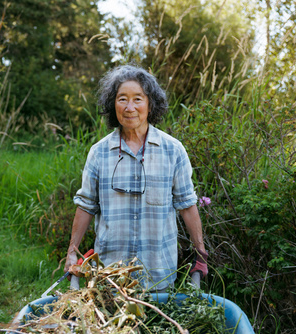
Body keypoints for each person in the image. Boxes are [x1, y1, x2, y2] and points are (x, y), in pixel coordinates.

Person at [64, 64, 208, 291]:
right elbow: (85, 206)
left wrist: (200, 252)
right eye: (122, 99)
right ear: (113, 105)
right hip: (110, 275)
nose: (130, 107)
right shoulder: (99, 152)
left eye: (138, 99)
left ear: (150, 104)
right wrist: (72, 252)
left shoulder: (172, 150)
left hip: (158, 275)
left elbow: (187, 205)